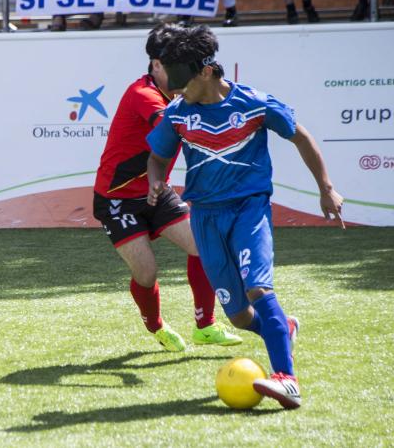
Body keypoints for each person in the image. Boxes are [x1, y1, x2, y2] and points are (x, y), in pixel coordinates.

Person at [146, 25, 344, 408]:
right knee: (238, 316)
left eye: (180, 79)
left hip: (249, 208)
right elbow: (156, 157)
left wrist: (326, 188)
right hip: (204, 216)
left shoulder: (253, 104)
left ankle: (286, 378)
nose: (173, 87)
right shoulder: (176, 114)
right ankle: (282, 328)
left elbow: (300, 137)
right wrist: (157, 181)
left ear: (205, 71)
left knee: (258, 288)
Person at [93, 23, 242, 354]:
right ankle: (155, 325)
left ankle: (205, 326)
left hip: (156, 192)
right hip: (117, 199)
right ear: (156, 64)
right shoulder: (142, 94)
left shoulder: (183, 89)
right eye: (174, 63)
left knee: (204, 246)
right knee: (147, 273)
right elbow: (171, 124)